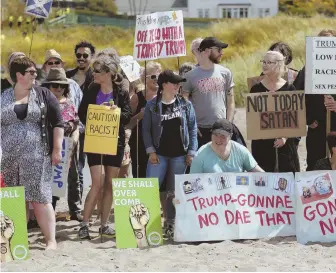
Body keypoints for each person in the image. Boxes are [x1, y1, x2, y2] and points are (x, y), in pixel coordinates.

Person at [1, 56, 64, 250]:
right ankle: (17, 239)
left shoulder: (43, 94)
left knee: (41, 199)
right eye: (31, 72)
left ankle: (50, 240)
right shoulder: (3, 96)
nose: (35, 75)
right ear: (19, 75)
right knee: (13, 199)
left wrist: (56, 149)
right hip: (8, 159)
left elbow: (58, 122)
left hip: (37, 157)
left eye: (35, 72)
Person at [78, 51, 132, 239]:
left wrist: (115, 111)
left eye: (98, 71)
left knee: (110, 183)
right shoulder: (92, 89)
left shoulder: (121, 92)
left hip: (115, 142)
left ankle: (104, 224)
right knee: (97, 183)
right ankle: (84, 224)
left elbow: (127, 116)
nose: (94, 74)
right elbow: (82, 112)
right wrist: (97, 113)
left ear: (109, 73)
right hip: (94, 140)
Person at [143, 70, 198, 237]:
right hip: (158, 154)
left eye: (178, 83)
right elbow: (146, 131)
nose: (178, 86)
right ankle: (147, 224)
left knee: (174, 192)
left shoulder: (185, 104)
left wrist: (191, 151)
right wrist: (151, 151)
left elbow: (192, 128)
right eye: (174, 83)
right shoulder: (152, 105)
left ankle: (170, 223)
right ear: (164, 84)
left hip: (180, 155)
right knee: (150, 189)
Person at [39, 49, 84, 221]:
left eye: (60, 85)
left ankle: (75, 209)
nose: (57, 88)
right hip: (49, 146)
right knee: (51, 181)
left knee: (74, 179)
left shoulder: (70, 104)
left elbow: (76, 124)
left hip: (70, 145)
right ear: (48, 86)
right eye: (54, 85)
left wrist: (73, 143)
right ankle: (51, 210)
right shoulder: (42, 103)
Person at [182, 37, 237, 148]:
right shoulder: (190, 76)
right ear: (207, 51)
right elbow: (184, 103)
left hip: (221, 129)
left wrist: (228, 124)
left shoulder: (226, 73)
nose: (222, 53)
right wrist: (191, 125)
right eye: (219, 50)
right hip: (199, 130)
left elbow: (231, 102)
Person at [250, 51, 299, 173]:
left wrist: (284, 137)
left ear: (278, 64)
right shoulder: (255, 89)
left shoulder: (290, 89)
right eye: (263, 62)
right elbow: (253, 119)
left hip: (285, 145)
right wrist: (265, 103)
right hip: (261, 144)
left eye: (269, 62)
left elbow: (295, 119)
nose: (264, 65)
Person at [294, 29, 336, 171]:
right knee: (315, 162)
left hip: (335, 124)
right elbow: (296, 95)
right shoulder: (307, 70)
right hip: (316, 126)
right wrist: (307, 119)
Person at [67, 41, 95, 203]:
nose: (81, 58)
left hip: (88, 130)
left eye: (85, 55)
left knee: (79, 167)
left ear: (91, 57)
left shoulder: (95, 78)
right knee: (64, 168)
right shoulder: (67, 76)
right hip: (67, 128)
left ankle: (76, 206)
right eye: (78, 55)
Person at [128, 61, 162, 178]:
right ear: (144, 78)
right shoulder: (137, 98)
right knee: (141, 175)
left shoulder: (165, 96)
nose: (157, 79)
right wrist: (140, 116)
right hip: (139, 144)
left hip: (160, 144)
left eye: (159, 76)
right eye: (153, 76)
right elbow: (127, 124)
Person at [190, 119, 263, 174]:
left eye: (223, 136)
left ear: (230, 136)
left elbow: (257, 171)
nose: (218, 139)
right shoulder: (200, 155)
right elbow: (193, 181)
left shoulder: (241, 151)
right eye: (215, 134)